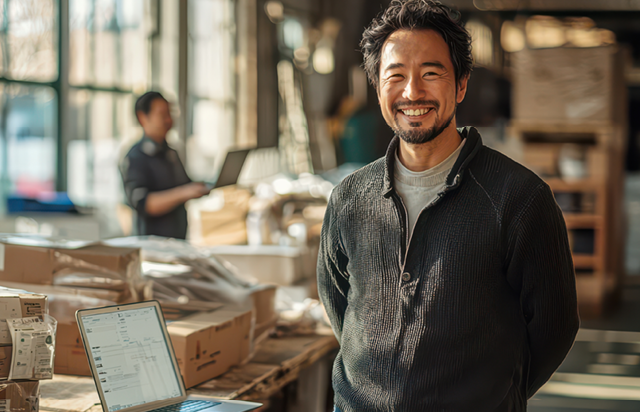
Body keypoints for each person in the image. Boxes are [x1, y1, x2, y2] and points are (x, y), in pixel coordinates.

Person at [317, 1, 579, 411]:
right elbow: (338, 303)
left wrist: (494, 395)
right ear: (377, 85)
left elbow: (555, 326)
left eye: (431, 73)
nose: (412, 92)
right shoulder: (349, 198)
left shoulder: (518, 198)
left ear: (460, 85)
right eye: (396, 75)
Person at [120, 92, 209, 239]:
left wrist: (203, 187)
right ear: (143, 117)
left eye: (170, 113)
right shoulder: (135, 157)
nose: (168, 120)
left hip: (178, 240)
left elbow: (185, 185)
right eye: (162, 114)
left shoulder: (171, 153)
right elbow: (145, 204)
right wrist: (184, 192)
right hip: (151, 246)